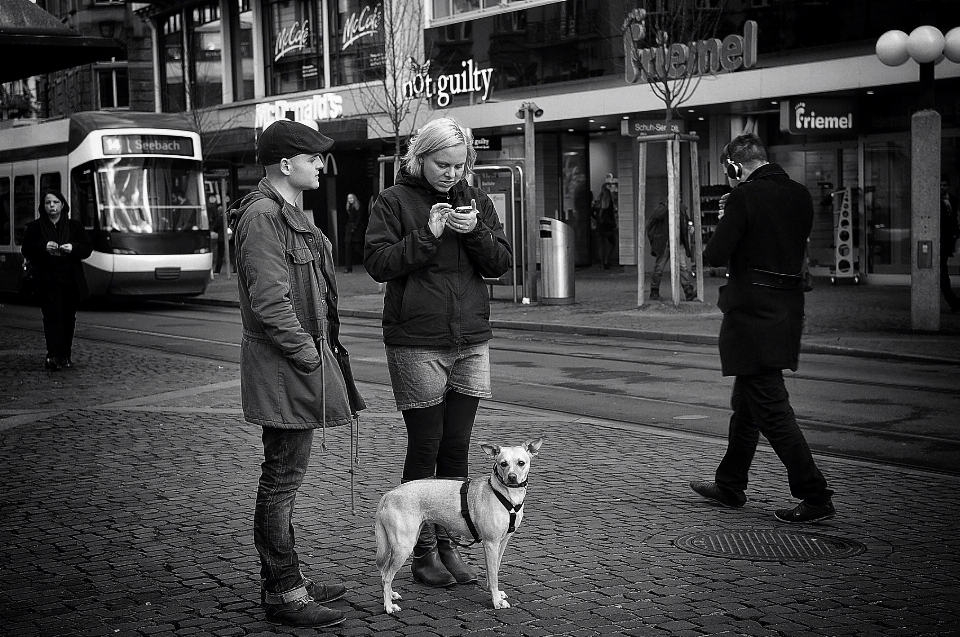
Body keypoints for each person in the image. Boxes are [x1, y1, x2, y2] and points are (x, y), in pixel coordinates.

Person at [364, 117, 512, 588]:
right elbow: (378, 264)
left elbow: (501, 264)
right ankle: (422, 550)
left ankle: (452, 543)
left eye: (459, 165)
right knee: (425, 447)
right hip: (416, 341)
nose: (452, 174)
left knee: (457, 448)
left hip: (470, 339)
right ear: (420, 157)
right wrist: (428, 234)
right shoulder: (392, 201)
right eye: (442, 164)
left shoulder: (476, 200)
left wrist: (475, 233)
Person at [232, 119, 366, 629]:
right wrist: (307, 355)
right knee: (281, 478)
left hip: (293, 364)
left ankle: (286, 579)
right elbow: (270, 300)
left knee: (284, 474)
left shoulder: (284, 213)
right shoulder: (264, 216)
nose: (321, 165)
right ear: (286, 165)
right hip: (285, 366)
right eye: (313, 158)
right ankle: (285, 591)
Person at [690, 133, 836, 524]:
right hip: (787, 311)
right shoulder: (800, 194)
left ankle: (815, 494)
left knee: (771, 410)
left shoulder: (742, 198)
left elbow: (715, 254)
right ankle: (730, 482)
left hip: (752, 315)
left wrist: (729, 215)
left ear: (735, 166)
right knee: (748, 404)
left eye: (729, 172)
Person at [21, 190, 93, 371]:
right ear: (43, 206)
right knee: (53, 318)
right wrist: (43, 247)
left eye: (55, 202)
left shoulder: (74, 226)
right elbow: (27, 250)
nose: (51, 206)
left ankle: (65, 356)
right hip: (47, 280)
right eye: (48, 203)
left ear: (62, 205)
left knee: (68, 319)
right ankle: (53, 356)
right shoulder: (35, 227)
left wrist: (73, 247)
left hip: (70, 279)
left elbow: (87, 248)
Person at [646, 200, 695, 301]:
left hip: (677, 242)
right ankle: (654, 290)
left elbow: (686, 221)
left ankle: (688, 291)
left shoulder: (681, 209)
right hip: (666, 243)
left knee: (682, 267)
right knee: (660, 267)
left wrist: (690, 227)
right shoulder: (663, 209)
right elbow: (657, 216)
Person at [939, 175, 960, 313]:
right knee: (942, 272)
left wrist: (956, 233)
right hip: (940, 241)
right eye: (940, 185)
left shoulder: (953, 200)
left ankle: (953, 301)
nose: (942, 188)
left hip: (948, 240)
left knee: (942, 271)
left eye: (945, 185)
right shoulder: (935, 201)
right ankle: (953, 301)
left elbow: (954, 219)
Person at [592, 179, 618, 269]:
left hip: (600, 226)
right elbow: (611, 215)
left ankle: (602, 264)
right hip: (608, 226)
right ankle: (607, 259)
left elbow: (591, 212)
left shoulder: (597, 203)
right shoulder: (609, 203)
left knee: (601, 246)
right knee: (612, 243)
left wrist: (597, 219)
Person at [342, 193, 365, 273]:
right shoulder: (349, 207)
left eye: (351, 198)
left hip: (356, 229)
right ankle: (348, 267)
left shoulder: (358, 207)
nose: (350, 199)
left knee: (358, 248)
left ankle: (370, 262)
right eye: (349, 198)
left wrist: (354, 227)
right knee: (348, 248)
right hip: (350, 228)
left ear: (354, 198)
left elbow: (359, 218)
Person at [211, 206, 235, 274]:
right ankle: (235, 268)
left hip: (221, 238)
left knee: (220, 255)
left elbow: (215, 228)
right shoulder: (230, 218)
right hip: (230, 237)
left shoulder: (219, 219)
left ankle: (217, 270)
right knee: (232, 253)